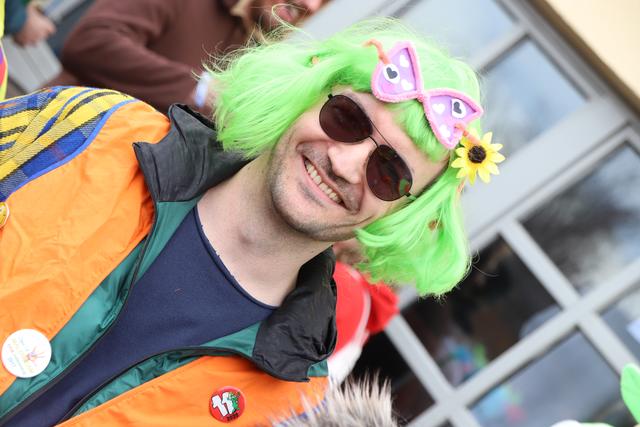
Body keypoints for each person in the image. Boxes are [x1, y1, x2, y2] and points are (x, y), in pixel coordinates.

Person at [0, 18, 503, 426]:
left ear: (402, 213)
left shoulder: (293, 404)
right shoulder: (99, 128)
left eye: (388, 174)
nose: (345, 164)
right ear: (307, 93)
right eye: (347, 119)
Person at [51, 0, 324, 114]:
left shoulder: (263, 53)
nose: (311, 4)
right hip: (54, 150)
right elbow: (91, 40)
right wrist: (200, 89)